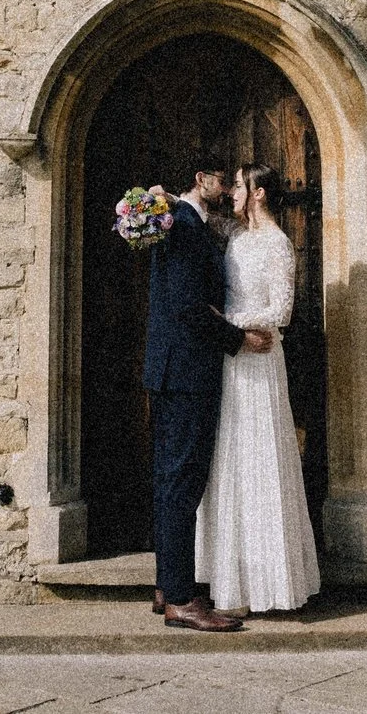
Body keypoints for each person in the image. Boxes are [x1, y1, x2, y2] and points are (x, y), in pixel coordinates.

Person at [144, 162, 273, 632]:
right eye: (223, 180)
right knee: (182, 482)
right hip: (186, 372)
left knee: (169, 480)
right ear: (202, 179)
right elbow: (186, 307)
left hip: (173, 370)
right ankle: (181, 599)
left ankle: (166, 586)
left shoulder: (183, 221)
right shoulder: (182, 223)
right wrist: (238, 340)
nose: (226, 190)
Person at [195, 164, 323, 614]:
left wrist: (228, 325)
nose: (232, 191)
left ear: (260, 193)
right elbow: (199, 215)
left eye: (239, 185)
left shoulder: (277, 243)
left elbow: (281, 309)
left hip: (261, 359)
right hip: (233, 360)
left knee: (261, 457)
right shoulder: (236, 237)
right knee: (231, 459)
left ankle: (270, 583)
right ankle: (233, 581)